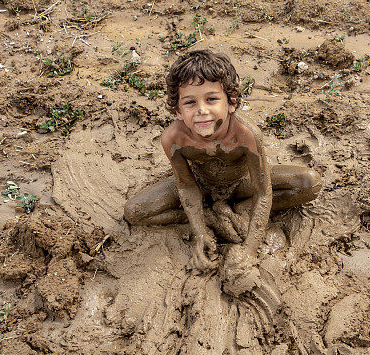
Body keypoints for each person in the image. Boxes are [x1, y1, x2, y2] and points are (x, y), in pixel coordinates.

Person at [123, 50, 321, 276]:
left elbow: (262, 191)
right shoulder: (173, 138)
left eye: (211, 99)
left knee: (310, 183)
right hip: (201, 185)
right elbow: (186, 186)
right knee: (134, 211)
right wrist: (201, 231)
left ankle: (243, 208)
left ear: (231, 103)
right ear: (178, 111)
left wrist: (249, 249)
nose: (201, 110)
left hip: (242, 183)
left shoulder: (246, 135)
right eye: (190, 102)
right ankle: (210, 214)